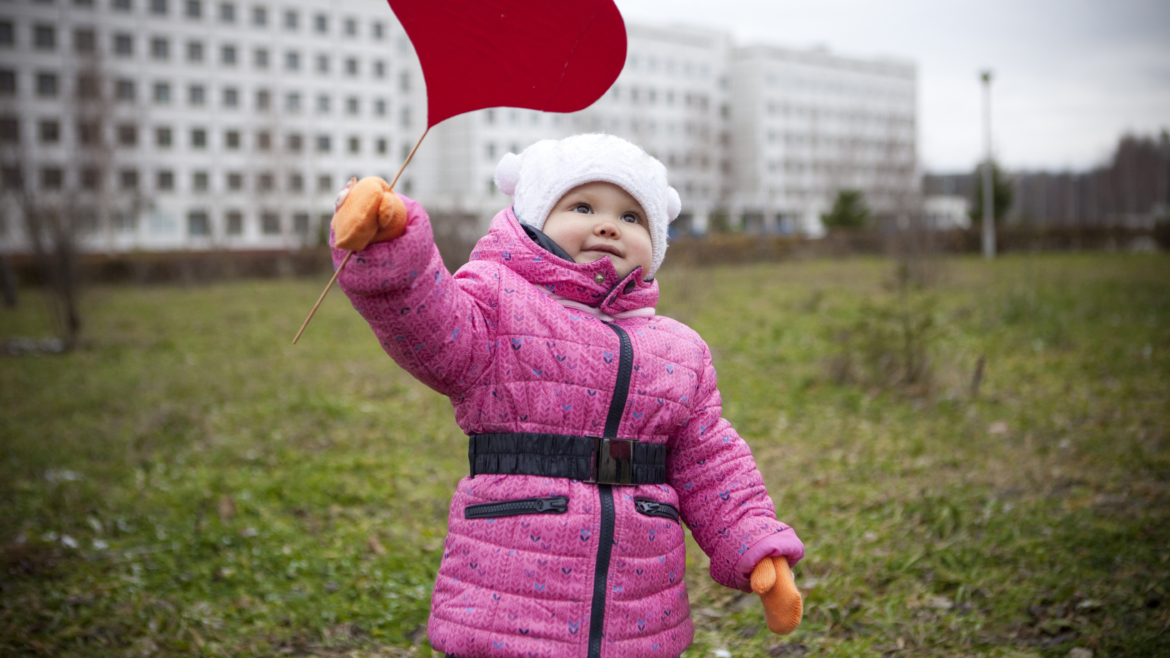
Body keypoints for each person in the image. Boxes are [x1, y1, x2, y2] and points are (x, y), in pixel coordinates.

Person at [330, 133, 804, 658]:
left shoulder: (679, 349)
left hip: (638, 607)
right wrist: (391, 247)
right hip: (509, 589)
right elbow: (431, 328)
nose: (608, 225)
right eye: (582, 206)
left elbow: (711, 460)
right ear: (535, 217)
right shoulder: (498, 302)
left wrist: (756, 544)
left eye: (632, 217)